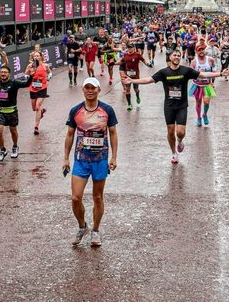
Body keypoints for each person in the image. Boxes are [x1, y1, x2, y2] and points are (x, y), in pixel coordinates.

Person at [123, 50, 229, 164]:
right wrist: (132, 80)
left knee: (180, 132)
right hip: (169, 106)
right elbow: (149, 80)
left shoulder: (186, 71)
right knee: (170, 131)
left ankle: (179, 141)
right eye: (175, 55)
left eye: (179, 55)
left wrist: (220, 74)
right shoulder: (164, 72)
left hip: (181, 106)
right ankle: (174, 153)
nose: (177, 57)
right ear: (170, 57)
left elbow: (202, 74)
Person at [63, 77, 118, 247]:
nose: (90, 90)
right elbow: (70, 134)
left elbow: (113, 133)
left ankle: (95, 230)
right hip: (81, 160)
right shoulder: (75, 110)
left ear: (98, 90)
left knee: (97, 197)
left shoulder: (107, 110)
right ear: (83, 90)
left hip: (100, 160)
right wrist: (65, 158)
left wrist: (114, 157)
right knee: (75, 198)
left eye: (93, 88)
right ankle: (82, 227)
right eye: (87, 87)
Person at [190, 43, 217, 126]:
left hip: (207, 85)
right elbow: (190, 74)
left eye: (202, 49)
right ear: (196, 51)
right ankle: (198, 118)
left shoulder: (210, 60)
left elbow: (214, 72)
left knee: (206, 102)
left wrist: (212, 82)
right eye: (199, 50)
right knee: (198, 103)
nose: (201, 51)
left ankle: (204, 114)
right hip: (197, 85)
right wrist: (198, 74)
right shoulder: (194, 62)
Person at [25, 51, 51, 136]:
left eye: (37, 56)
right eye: (34, 56)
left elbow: (49, 72)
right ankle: (41, 112)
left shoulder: (45, 65)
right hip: (32, 88)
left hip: (42, 88)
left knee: (37, 106)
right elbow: (25, 74)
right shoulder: (30, 66)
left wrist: (48, 78)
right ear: (33, 58)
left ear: (40, 57)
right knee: (34, 108)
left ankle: (36, 126)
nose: (36, 57)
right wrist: (29, 75)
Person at [117, 44, 148, 110]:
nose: (129, 49)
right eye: (128, 48)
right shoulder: (125, 55)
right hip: (127, 75)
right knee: (127, 90)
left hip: (136, 75)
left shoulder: (137, 54)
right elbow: (120, 62)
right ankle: (129, 104)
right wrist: (113, 63)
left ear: (134, 48)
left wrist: (147, 64)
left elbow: (143, 60)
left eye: (131, 48)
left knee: (136, 89)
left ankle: (137, 96)